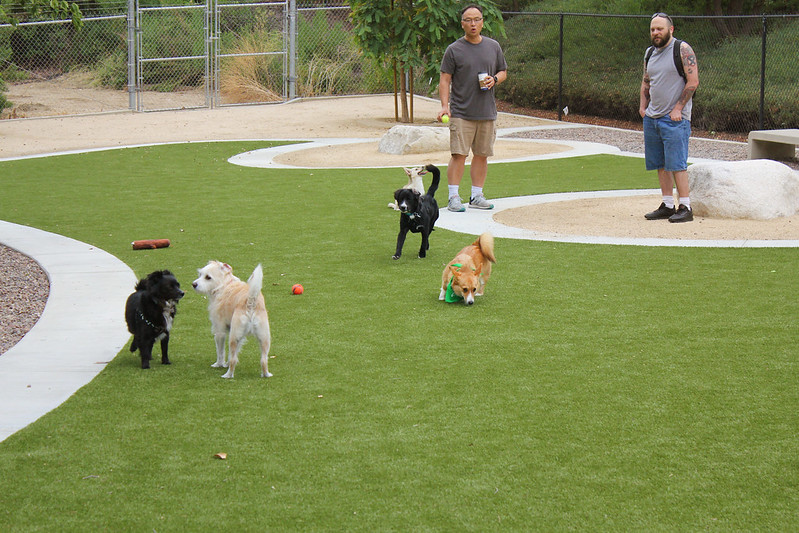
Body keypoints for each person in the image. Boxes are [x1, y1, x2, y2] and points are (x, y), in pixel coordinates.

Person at [438, 4, 508, 212]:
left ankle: (477, 195)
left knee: (482, 154)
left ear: (482, 22)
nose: (473, 23)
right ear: (462, 24)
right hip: (461, 112)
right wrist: (445, 106)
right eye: (468, 20)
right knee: (459, 155)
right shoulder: (454, 50)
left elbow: (503, 71)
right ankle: (453, 197)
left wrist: (494, 79)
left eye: (476, 19)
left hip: (487, 112)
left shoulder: (493, 46)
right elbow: (445, 80)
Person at [639, 12, 699, 223]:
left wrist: (678, 108)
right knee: (660, 163)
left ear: (670, 29)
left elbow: (692, 82)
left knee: (677, 164)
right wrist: (643, 106)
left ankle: (685, 206)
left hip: (674, 119)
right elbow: (646, 81)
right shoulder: (649, 53)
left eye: (660, 29)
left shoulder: (682, 49)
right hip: (653, 117)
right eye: (653, 29)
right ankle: (667, 204)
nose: (656, 33)